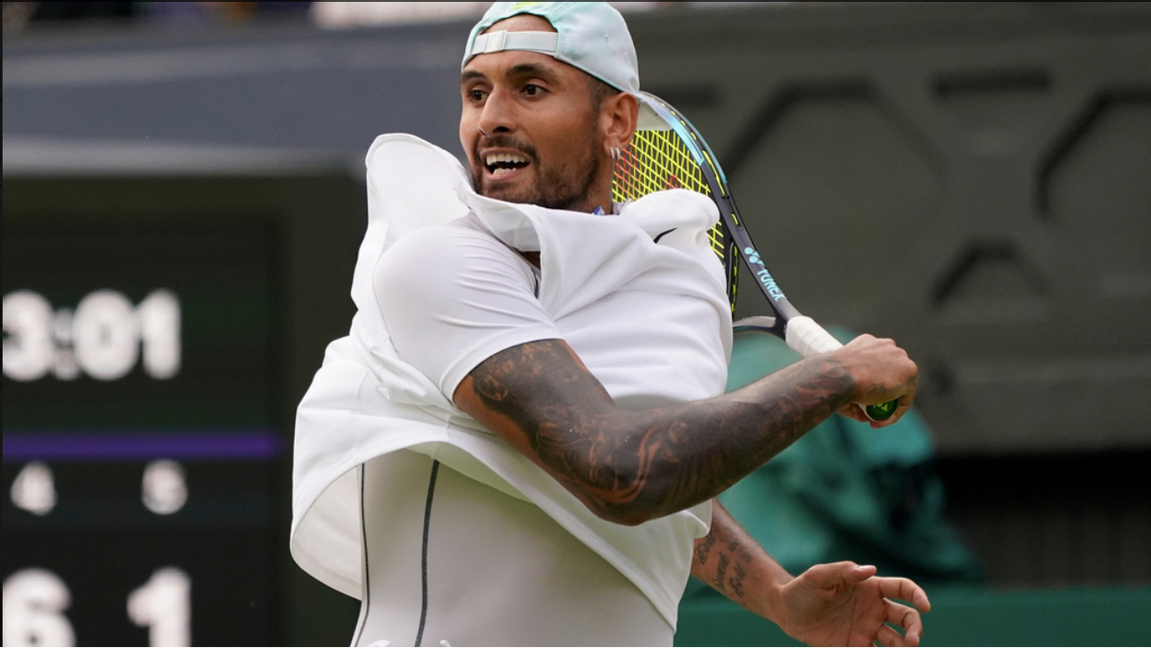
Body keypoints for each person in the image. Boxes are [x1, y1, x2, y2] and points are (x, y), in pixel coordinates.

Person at [290, 3, 928, 648]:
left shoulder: (648, 266)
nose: (492, 119)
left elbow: (645, 464)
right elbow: (622, 473)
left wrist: (775, 596)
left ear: (617, 119)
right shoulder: (439, 264)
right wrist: (830, 377)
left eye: (530, 88)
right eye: (476, 93)